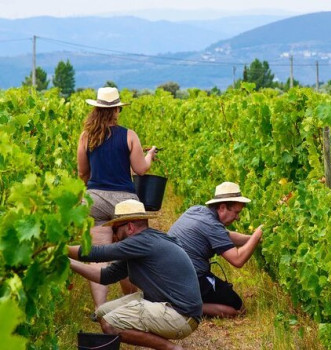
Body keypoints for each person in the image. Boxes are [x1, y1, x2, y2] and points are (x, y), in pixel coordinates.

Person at [68, 199, 202, 350]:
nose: (114, 236)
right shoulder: (142, 245)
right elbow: (106, 276)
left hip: (181, 316)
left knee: (110, 323)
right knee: (102, 313)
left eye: (114, 229)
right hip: (170, 307)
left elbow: (98, 253)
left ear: (130, 227)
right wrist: (69, 263)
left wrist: (62, 249)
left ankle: (172, 348)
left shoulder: (142, 241)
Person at [77, 86, 157, 310]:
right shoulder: (129, 135)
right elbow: (140, 169)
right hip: (126, 203)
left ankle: (100, 310)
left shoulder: (86, 137)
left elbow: (82, 173)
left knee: (98, 258)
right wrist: (149, 155)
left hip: (95, 200)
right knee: (129, 257)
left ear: (96, 109)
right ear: (117, 110)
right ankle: (128, 307)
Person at [168, 181, 263, 318]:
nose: (238, 217)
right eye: (236, 212)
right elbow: (238, 260)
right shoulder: (212, 226)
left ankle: (181, 301)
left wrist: (254, 239)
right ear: (223, 207)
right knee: (236, 309)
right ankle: (183, 307)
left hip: (168, 277)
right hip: (190, 279)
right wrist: (257, 235)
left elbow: (226, 236)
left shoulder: (196, 211)